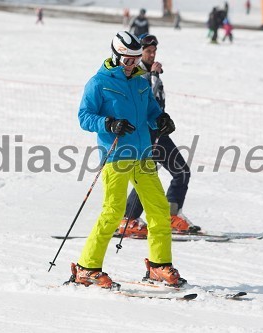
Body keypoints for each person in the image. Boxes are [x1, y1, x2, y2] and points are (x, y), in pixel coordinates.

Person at [69, 31, 185, 289]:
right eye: (127, 60)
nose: (132, 64)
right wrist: (108, 123)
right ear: (115, 56)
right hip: (116, 155)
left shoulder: (141, 83)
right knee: (112, 213)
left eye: (135, 59)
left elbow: (153, 112)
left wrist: (161, 120)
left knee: (158, 210)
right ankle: (87, 268)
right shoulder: (99, 83)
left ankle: (158, 266)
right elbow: (84, 116)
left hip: (143, 155)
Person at [117, 33, 200, 239]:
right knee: (148, 175)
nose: (152, 55)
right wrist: (153, 76)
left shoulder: (151, 72)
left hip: (159, 133)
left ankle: (171, 215)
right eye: (148, 51)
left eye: (154, 51)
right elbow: (146, 99)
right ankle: (129, 219)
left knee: (181, 172)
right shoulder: (136, 75)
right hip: (145, 134)